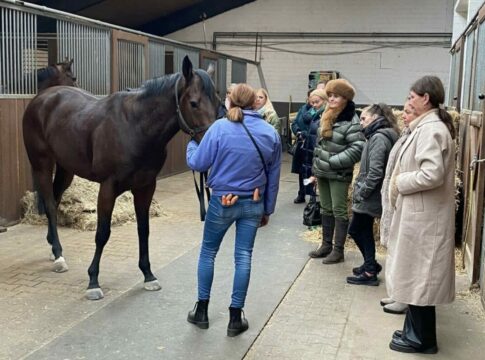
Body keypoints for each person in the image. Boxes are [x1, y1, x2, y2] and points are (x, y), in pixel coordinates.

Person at [185, 83, 282, 337]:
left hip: (222, 201)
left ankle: (202, 311)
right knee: (243, 256)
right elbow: (274, 176)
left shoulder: (219, 128)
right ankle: (235, 317)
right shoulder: (270, 133)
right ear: (254, 103)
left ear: (230, 102)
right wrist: (267, 210)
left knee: (208, 253)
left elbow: (197, 162)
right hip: (253, 201)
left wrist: (191, 145)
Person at [387, 75, 456, 354]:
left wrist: (401, 182)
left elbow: (432, 174)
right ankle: (413, 331)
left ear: (425, 98)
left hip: (425, 217)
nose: (408, 101)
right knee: (415, 275)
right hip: (421, 214)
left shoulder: (430, 130)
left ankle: (423, 339)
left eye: (411, 96)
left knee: (421, 277)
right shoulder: (426, 127)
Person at [310, 79, 364, 261]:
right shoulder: (327, 114)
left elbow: (358, 147)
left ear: (346, 99)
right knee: (325, 208)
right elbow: (320, 145)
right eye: (330, 95)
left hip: (338, 172)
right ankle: (326, 245)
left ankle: (338, 250)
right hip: (323, 171)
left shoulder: (351, 119)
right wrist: (316, 166)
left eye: (337, 96)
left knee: (338, 210)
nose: (332, 99)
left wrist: (334, 161)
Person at [345, 103, 399, 286]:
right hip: (372, 193)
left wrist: (362, 192)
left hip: (370, 195)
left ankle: (369, 270)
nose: (361, 123)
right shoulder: (381, 135)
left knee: (356, 230)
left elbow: (375, 171)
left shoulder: (378, 138)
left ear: (375, 118)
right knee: (364, 229)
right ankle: (370, 265)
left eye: (364, 118)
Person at [379, 102, 417, 314]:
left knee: (403, 254)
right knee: (394, 250)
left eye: (409, 112)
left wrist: (399, 184)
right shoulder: (405, 134)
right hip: (393, 197)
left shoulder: (417, 136)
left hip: (403, 197)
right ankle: (396, 293)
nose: (404, 115)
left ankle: (403, 297)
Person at [299, 89, 327, 201]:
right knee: (309, 173)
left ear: (325, 101)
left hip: (318, 150)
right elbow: (304, 119)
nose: (314, 105)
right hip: (311, 148)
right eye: (312, 102)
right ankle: (311, 196)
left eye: (317, 102)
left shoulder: (325, 115)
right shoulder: (315, 113)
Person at [290, 89, 314, 203]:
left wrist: (306, 134)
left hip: (311, 145)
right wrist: (298, 132)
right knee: (301, 170)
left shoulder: (319, 111)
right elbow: (294, 123)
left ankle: (312, 194)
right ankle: (302, 192)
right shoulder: (303, 108)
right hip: (301, 144)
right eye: (310, 97)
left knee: (311, 171)